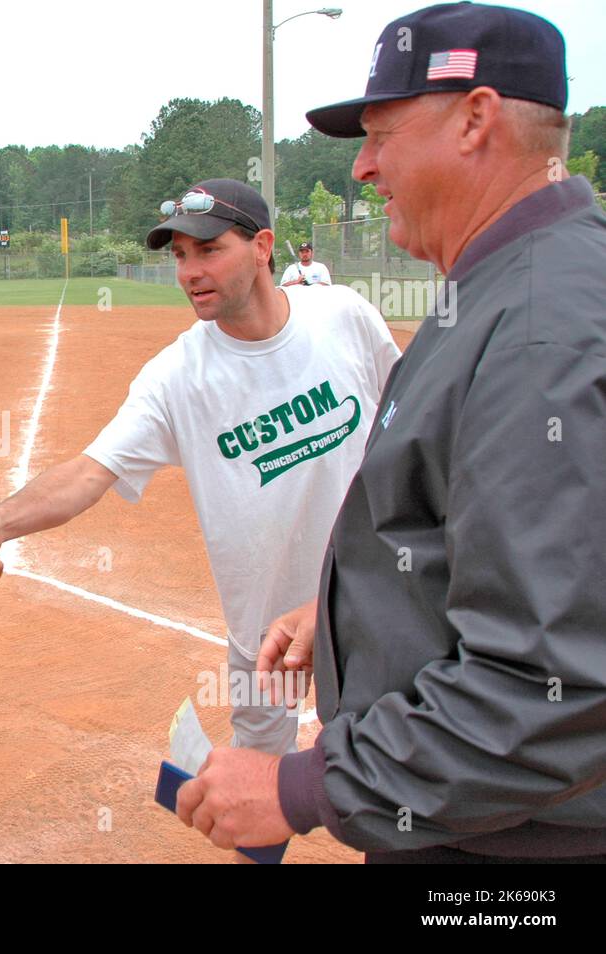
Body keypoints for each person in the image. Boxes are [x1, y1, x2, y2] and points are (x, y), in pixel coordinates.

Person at [175, 2, 606, 864]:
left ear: (476, 119)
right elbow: (470, 534)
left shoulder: (538, 330)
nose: (365, 167)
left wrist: (305, 787)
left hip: (512, 853)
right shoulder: (509, 283)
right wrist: (346, 607)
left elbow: (548, 683)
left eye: (382, 133)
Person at [0, 178, 399, 765]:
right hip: (262, 630)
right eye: (180, 255)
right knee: (257, 776)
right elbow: (92, 471)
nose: (190, 271)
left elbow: (408, 422)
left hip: (367, 598)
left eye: (209, 249)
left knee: (386, 765)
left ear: (263, 246)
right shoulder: (176, 378)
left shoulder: (344, 316)